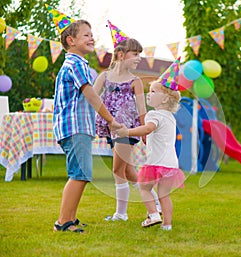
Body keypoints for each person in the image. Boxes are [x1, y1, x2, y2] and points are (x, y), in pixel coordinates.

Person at [46, 5, 121, 233]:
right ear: (71, 40)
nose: (92, 38)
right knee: (80, 174)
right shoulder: (75, 64)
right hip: (74, 127)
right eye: (86, 35)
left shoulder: (78, 64)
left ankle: (70, 217)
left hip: (77, 128)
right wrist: (110, 120)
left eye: (92, 34)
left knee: (81, 173)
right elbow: (91, 95)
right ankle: (63, 222)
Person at [94, 20, 161, 221]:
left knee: (117, 169)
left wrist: (145, 132)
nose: (139, 58)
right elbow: (91, 96)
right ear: (121, 55)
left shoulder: (136, 81)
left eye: (140, 54)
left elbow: (142, 109)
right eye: (135, 54)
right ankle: (155, 202)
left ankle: (121, 214)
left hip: (126, 129)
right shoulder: (104, 76)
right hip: (109, 127)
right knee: (127, 169)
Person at [116, 57, 185, 230]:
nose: (149, 93)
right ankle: (167, 225)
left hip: (156, 163)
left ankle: (153, 215)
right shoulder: (170, 117)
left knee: (144, 187)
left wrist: (127, 132)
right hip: (170, 164)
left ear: (163, 100)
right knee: (164, 195)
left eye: (153, 91)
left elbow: (147, 129)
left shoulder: (153, 115)